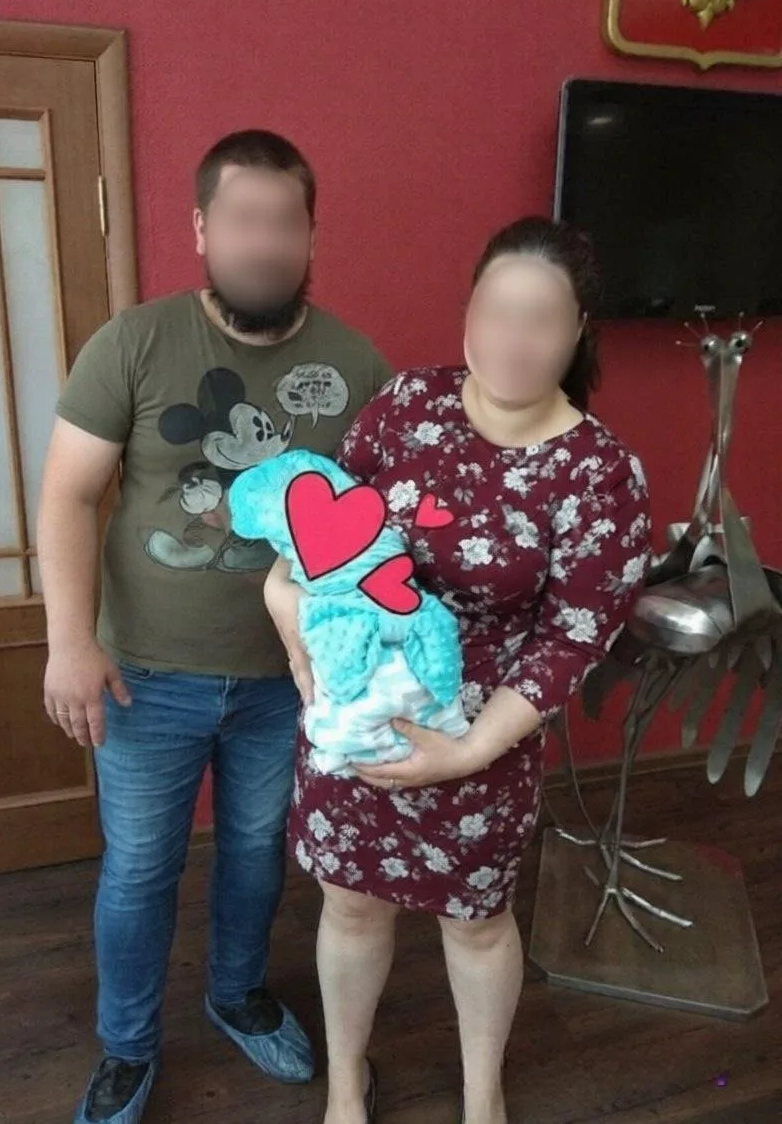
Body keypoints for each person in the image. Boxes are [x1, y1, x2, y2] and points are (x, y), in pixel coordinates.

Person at [37, 129, 392, 1124]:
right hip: (145, 677)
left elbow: (377, 525)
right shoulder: (135, 343)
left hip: (288, 680)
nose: (262, 241)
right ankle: (127, 1046)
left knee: (254, 851)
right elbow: (67, 495)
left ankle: (237, 993)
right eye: (242, 219)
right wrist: (70, 640)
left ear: (310, 234)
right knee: (140, 868)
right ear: (202, 228)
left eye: (283, 221)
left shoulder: (356, 363)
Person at [264, 216, 653, 1124]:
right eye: (495, 311)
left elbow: (573, 640)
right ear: (469, 311)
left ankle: (484, 1098)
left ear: (578, 329)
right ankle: (346, 1083)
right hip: (357, 716)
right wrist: (285, 607)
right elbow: (321, 531)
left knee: (475, 926)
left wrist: (468, 750)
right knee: (350, 908)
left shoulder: (600, 476)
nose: (513, 339)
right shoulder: (406, 406)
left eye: (540, 319)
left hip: (483, 740)